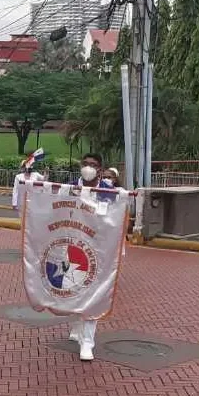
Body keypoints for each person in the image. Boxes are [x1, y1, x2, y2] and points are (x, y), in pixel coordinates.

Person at [68, 152, 115, 361]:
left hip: (97, 249)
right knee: (72, 288)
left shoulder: (108, 191)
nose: (88, 167)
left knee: (93, 294)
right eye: (85, 163)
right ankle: (76, 326)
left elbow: (113, 216)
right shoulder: (69, 187)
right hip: (72, 245)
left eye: (93, 165)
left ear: (100, 168)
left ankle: (88, 342)